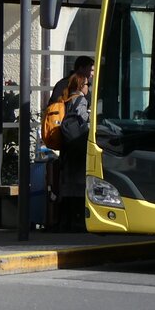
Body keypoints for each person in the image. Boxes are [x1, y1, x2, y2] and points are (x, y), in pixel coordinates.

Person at [57, 72, 91, 231]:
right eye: (87, 85)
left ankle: (66, 221)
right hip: (78, 146)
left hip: (67, 147)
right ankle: (78, 221)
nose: (88, 88)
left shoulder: (66, 98)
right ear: (80, 86)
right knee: (79, 184)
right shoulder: (81, 100)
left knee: (68, 184)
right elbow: (83, 121)